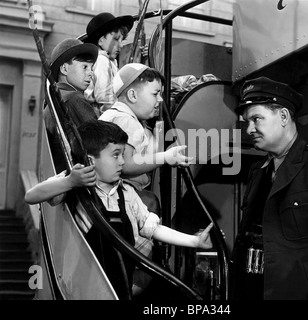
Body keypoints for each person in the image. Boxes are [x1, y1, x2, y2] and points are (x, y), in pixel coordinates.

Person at [25, 119, 213, 300]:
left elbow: (153, 229)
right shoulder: (72, 187)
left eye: (123, 154)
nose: (122, 162)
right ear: (90, 161)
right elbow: (32, 196)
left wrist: (194, 241)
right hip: (77, 291)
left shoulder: (127, 194)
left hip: (119, 290)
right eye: (116, 154)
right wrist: (69, 181)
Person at [230, 76, 308, 300]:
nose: (249, 129)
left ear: (283, 116)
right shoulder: (258, 170)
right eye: (246, 122)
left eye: (256, 119)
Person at [99, 63, 193, 214]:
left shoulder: (118, 116)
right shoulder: (126, 120)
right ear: (133, 95)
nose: (161, 100)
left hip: (111, 192)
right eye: (155, 94)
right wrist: (165, 157)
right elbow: (126, 165)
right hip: (119, 194)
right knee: (150, 202)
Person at [44, 38, 99, 173]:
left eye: (91, 68)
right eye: (84, 67)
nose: (91, 73)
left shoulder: (55, 98)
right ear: (64, 69)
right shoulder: (73, 99)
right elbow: (100, 144)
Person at [83, 12, 134, 116]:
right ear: (101, 41)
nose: (120, 45)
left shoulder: (110, 61)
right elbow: (106, 99)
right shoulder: (102, 60)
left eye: (122, 39)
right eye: (116, 39)